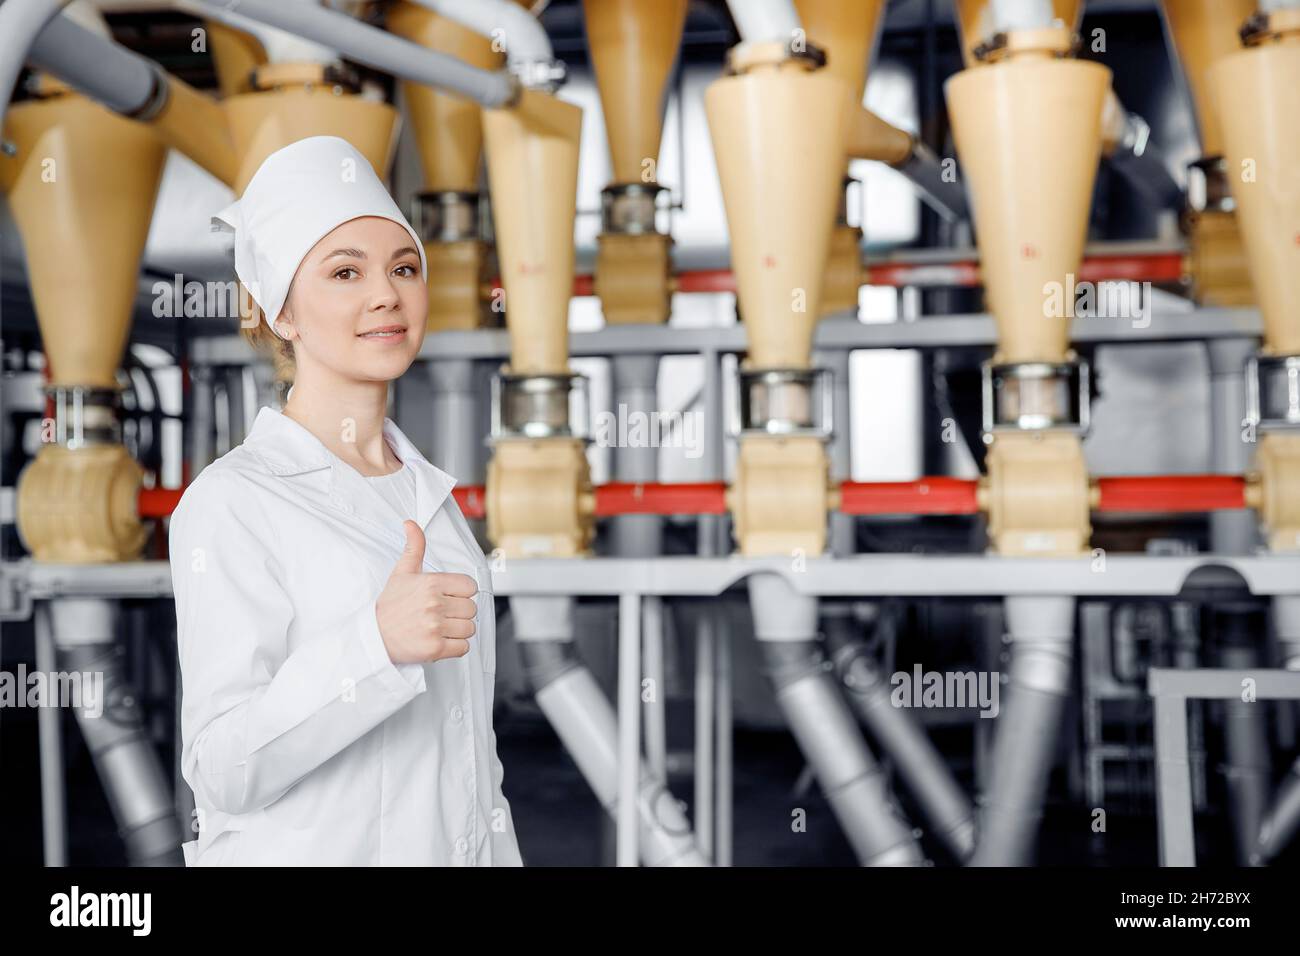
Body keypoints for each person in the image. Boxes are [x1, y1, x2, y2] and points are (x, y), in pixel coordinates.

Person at [169, 135, 522, 866]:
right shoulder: (232, 503)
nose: (385, 293)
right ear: (282, 314)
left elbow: (466, 759)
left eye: (403, 267)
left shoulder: (430, 496)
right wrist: (374, 647)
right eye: (344, 272)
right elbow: (222, 767)